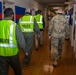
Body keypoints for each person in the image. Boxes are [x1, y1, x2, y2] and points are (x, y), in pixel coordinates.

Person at [0, 8, 28, 75]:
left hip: (1, 53)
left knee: (3, 72)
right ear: (12, 15)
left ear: (4, 15)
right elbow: (21, 41)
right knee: (18, 70)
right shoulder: (15, 25)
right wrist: (25, 51)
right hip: (13, 54)